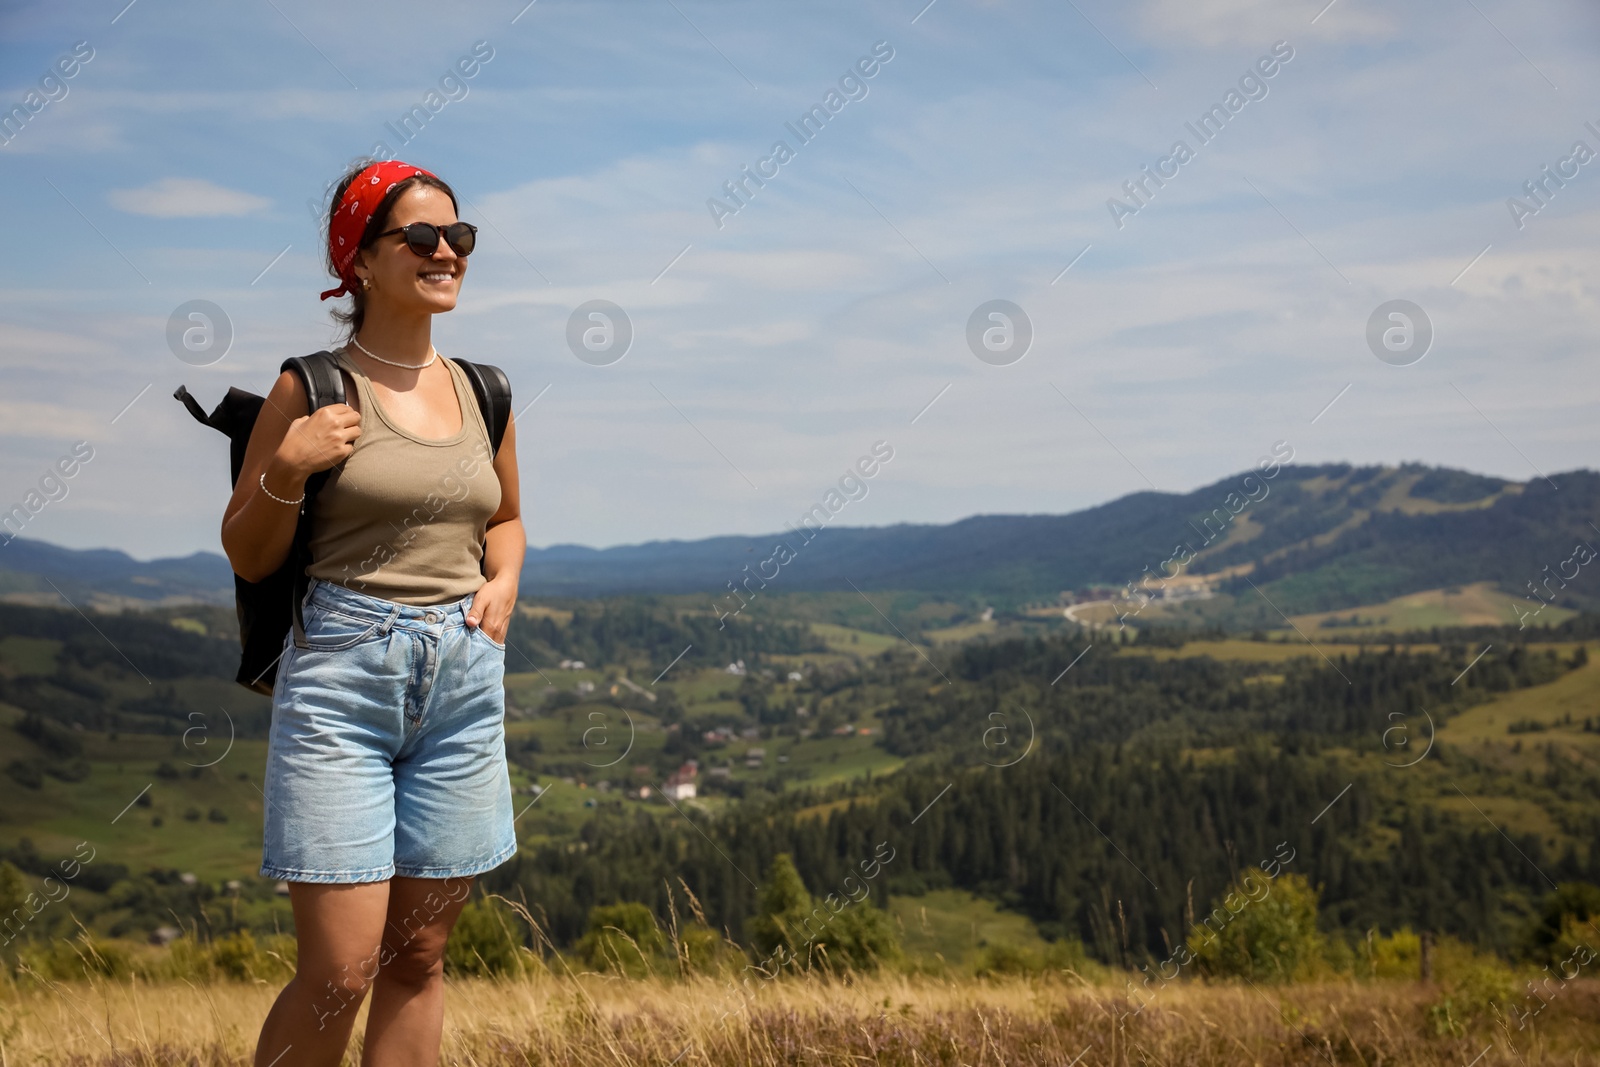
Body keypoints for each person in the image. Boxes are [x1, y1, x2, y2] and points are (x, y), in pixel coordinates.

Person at [220, 158, 523, 1067]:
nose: (446, 252)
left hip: (463, 681)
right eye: (421, 237)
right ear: (358, 259)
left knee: (418, 956)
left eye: (458, 237)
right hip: (343, 679)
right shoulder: (309, 388)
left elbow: (503, 518)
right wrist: (291, 462)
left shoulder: (486, 391)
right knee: (341, 970)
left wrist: (501, 583)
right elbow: (248, 549)